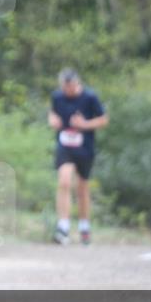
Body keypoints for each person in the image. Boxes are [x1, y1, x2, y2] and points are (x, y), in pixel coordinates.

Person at [48, 68, 108, 245]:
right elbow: (52, 112)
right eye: (65, 88)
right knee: (64, 181)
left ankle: (84, 227)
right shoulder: (57, 97)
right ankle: (63, 227)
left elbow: (103, 119)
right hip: (65, 146)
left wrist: (85, 124)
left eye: (71, 87)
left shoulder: (90, 97)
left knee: (82, 188)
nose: (68, 91)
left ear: (77, 83)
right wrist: (52, 120)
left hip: (85, 148)